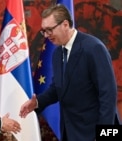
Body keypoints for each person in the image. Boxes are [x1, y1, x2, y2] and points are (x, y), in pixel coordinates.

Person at [19, 4, 117, 141]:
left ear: (65, 24)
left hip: (93, 132)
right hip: (70, 132)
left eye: (49, 30)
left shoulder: (94, 48)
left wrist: (105, 135)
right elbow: (58, 88)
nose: (46, 36)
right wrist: (37, 103)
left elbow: (108, 94)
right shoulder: (58, 53)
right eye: (44, 31)